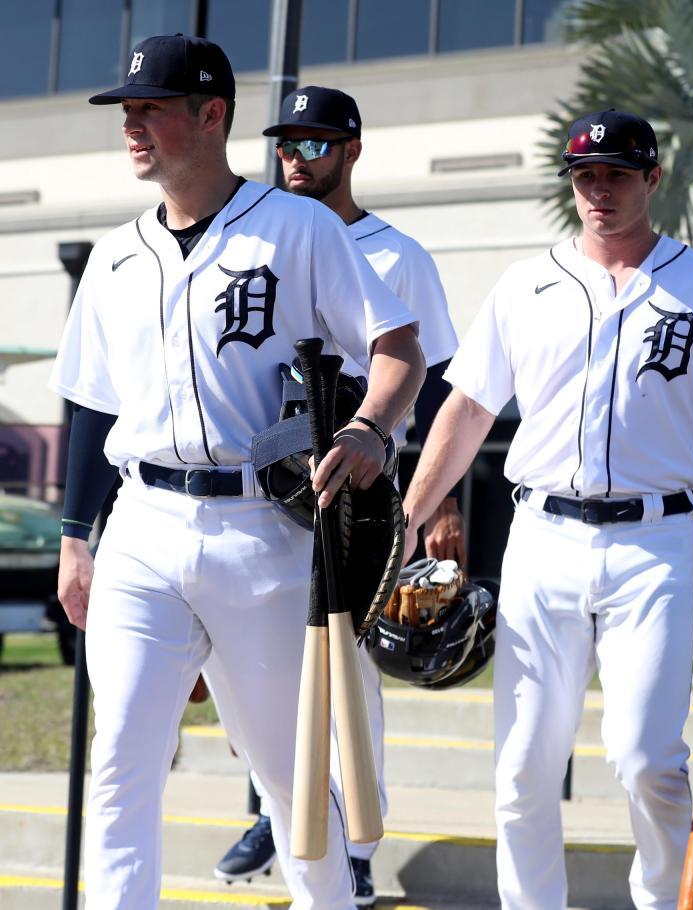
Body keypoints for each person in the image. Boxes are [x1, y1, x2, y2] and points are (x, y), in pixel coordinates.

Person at [50, 34, 425, 910]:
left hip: (265, 532)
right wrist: (75, 539)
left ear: (211, 114)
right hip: (143, 528)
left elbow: (397, 347)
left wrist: (372, 426)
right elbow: (90, 406)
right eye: (127, 112)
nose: (133, 125)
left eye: (152, 108)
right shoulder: (115, 255)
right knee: (120, 767)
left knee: (291, 780)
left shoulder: (297, 229)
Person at [399, 108, 693, 909]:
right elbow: (466, 411)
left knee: (648, 760)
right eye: (583, 176)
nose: (597, 190)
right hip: (542, 538)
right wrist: (408, 516)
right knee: (525, 764)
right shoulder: (524, 284)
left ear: (652, 179)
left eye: (616, 174)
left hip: (657, 540)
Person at [213, 85, 466, 905]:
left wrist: (442, 499)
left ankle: (355, 835)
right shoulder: (258, 244)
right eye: (287, 144)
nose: (296, 158)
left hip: (359, 487)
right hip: (269, 481)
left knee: (346, 663)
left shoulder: (400, 254)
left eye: (315, 144)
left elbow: (428, 384)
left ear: (352, 150)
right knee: (260, 664)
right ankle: (280, 809)